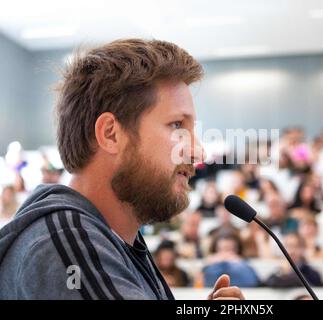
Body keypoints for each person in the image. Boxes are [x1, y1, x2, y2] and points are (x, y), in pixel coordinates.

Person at [0, 39, 244, 300]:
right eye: (176, 126)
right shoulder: (69, 246)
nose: (198, 151)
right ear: (111, 134)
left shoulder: (113, 240)